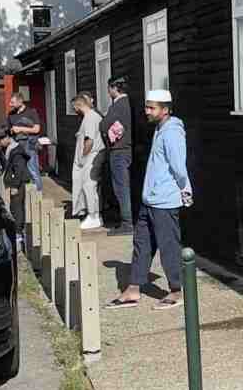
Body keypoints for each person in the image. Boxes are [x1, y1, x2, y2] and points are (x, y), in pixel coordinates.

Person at [108, 90, 191, 311]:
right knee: (141, 244)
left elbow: (179, 167)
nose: (146, 111)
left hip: (164, 201)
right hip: (150, 199)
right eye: (146, 106)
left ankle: (176, 291)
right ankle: (133, 289)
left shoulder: (172, 132)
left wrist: (183, 189)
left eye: (151, 107)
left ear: (165, 109)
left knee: (168, 246)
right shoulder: (160, 129)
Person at [100, 76, 134, 236]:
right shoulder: (127, 103)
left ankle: (127, 224)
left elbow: (103, 125)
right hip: (126, 150)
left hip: (119, 151)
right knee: (123, 186)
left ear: (114, 88)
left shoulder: (118, 105)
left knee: (121, 188)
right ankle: (126, 221)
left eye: (109, 88)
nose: (108, 91)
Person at [0, 124, 31, 250]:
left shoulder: (17, 152)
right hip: (13, 182)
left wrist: (15, 185)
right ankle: (17, 232)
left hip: (17, 184)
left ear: (7, 137)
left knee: (17, 208)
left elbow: (19, 170)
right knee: (14, 207)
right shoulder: (9, 149)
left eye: (0, 140)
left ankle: (18, 234)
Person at [70, 92, 106, 230]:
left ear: (78, 105)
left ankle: (93, 216)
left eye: (74, 107)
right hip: (92, 155)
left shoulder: (90, 117)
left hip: (91, 155)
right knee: (90, 186)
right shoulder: (90, 116)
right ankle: (95, 215)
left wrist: (83, 157)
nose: (74, 110)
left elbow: (89, 141)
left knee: (89, 185)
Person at [7, 92, 43, 190]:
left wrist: (21, 129)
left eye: (12, 102)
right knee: (20, 169)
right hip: (17, 144)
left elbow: (37, 129)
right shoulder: (11, 114)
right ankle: (26, 194)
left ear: (20, 101)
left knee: (32, 168)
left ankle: (38, 194)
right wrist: (12, 131)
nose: (10, 104)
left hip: (29, 143)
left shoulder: (31, 112)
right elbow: (9, 129)